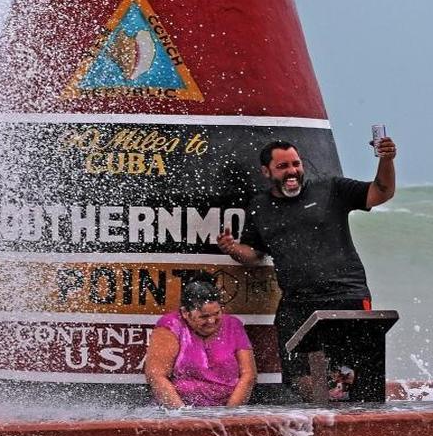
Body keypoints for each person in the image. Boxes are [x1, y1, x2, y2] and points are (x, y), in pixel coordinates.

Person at [217, 136, 397, 397]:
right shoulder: (260, 206)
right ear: (266, 172)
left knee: (355, 377)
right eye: (282, 166)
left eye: (296, 164)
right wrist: (232, 248)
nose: (292, 171)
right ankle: (314, 430)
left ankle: (363, 427)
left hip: (346, 296)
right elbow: (255, 254)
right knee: (299, 381)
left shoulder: (331, 189)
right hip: (296, 303)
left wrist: (386, 160)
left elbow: (382, 192)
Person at [144, 278, 257, 407]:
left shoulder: (233, 325)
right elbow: (156, 376)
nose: (211, 321)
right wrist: (182, 415)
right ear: (186, 313)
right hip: (180, 410)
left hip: (228, 410)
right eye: (204, 317)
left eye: (217, 313)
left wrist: (229, 415)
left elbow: (248, 375)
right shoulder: (171, 325)